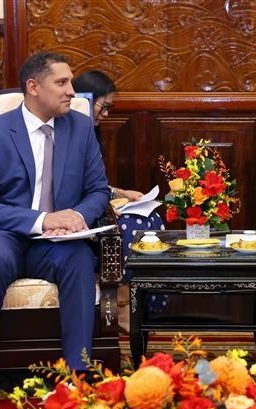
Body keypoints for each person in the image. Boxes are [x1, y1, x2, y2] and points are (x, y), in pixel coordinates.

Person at [0, 52, 110, 409]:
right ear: (33, 87)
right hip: (0, 235)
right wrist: (42, 219)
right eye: (63, 83)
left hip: (54, 244)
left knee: (80, 258)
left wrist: (77, 217)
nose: (73, 91)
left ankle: (77, 381)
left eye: (71, 82)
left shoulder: (80, 128)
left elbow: (98, 190)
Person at [72, 71, 166, 331]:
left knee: (151, 219)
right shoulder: (67, 132)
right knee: (133, 227)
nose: (107, 114)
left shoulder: (92, 134)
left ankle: (144, 302)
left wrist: (121, 193)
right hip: (76, 213)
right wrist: (114, 198)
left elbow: (93, 183)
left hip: (94, 202)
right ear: (83, 100)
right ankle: (122, 302)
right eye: (104, 107)